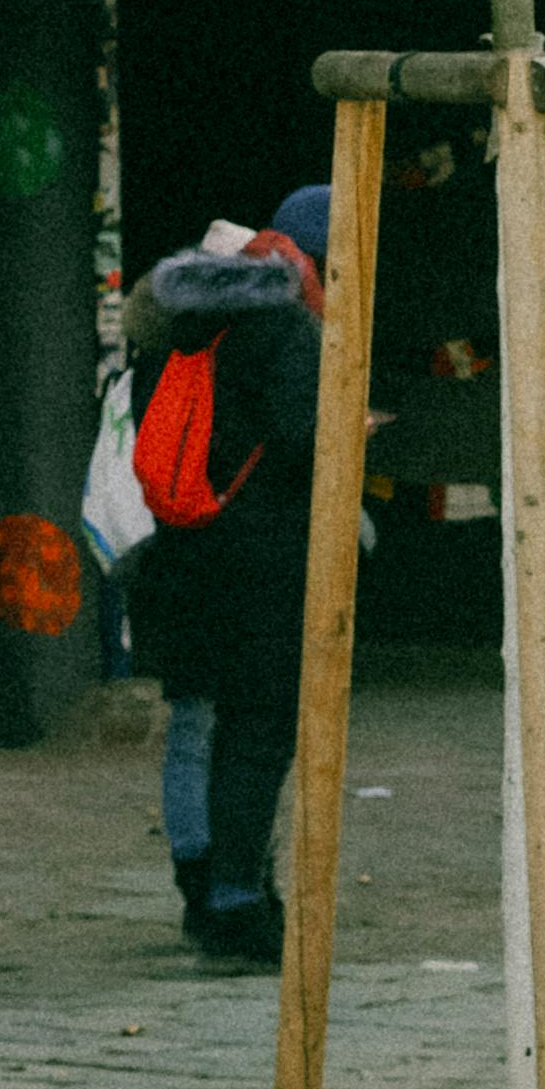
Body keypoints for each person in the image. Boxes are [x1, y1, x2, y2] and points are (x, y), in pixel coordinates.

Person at [121, 188, 331, 971]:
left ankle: (198, 886)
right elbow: (303, 434)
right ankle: (240, 902)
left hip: (179, 548)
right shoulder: (286, 328)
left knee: (193, 721)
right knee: (258, 726)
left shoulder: (175, 322)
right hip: (261, 558)